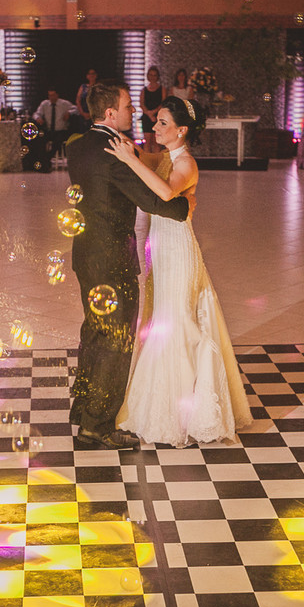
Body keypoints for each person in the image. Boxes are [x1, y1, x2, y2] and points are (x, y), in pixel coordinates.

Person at [102, 95, 251, 446]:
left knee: (178, 321)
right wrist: (121, 142)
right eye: (156, 121)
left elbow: (167, 192)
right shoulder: (166, 156)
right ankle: (161, 402)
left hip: (179, 250)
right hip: (159, 249)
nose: (155, 127)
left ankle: (187, 412)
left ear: (182, 130)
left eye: (163, 122)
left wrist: (130, 159)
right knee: (159, 322)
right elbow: (144, 158)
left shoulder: (187, 163)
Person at [65, 83, 192, 450]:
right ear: (109, 114)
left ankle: (84, 410)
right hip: (111, 259)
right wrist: (185, 208)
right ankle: (98, 426)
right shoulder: (111, 153)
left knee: (94, 332)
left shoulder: (78, 145)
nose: (134, 112)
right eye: (127, 106)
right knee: (116, 339)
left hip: (86, 254)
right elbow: (151, 199)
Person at [33, 87, 74, 158]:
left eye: (53, 95)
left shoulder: (64, 103)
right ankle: (42, 159)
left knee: (57, 141)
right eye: (49, 95)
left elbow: (76, 109)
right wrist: (38, 118)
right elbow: (36, 113)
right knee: (40, 140)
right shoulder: (44, 104)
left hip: (61, 131)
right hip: (48, 130)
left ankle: (47, 158)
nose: (51, 97)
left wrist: (69, 113)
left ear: (57, 95)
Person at [140, 68, 166, 153]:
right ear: (148, 76)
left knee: (156, 142)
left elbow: (163, 103)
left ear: (157, 76)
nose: (152, 77)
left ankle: (156, 163)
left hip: (158, 117)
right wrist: (149, 114)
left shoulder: (162, 89)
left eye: (154, 75)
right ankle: (147, 163)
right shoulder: (144, 90)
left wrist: (154, 113)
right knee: (147, 141)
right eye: (151, 75)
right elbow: (142, 104)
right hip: (147, 117)